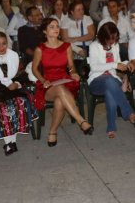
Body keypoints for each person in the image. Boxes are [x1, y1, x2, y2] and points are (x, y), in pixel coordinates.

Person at [32, 17, 93, 146]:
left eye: (57, 26)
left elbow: (71, 66)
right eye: (52, 27)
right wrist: (43, 80)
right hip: (48, 83)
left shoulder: (66, 46)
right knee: (59, 90)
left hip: (65, 81)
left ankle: (52, 132)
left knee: (60, 100)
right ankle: (81, 121)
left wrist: (74, 73)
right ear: (44, 31)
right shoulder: (40, 49)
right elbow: (34, 69)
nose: (56, 29)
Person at [87, 22, 135, 138]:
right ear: (103, 37)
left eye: (115, 38)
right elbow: (94, 67)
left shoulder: (115, 45)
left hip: (112, 79)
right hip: (96, 80)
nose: (113, 41)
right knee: (109, 82)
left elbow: (118, 62)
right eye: (111, 38)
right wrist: (115, 65)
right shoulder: (94, 46)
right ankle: (129, 112)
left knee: (110, 89)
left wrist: (127, 63)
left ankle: (111, 126)